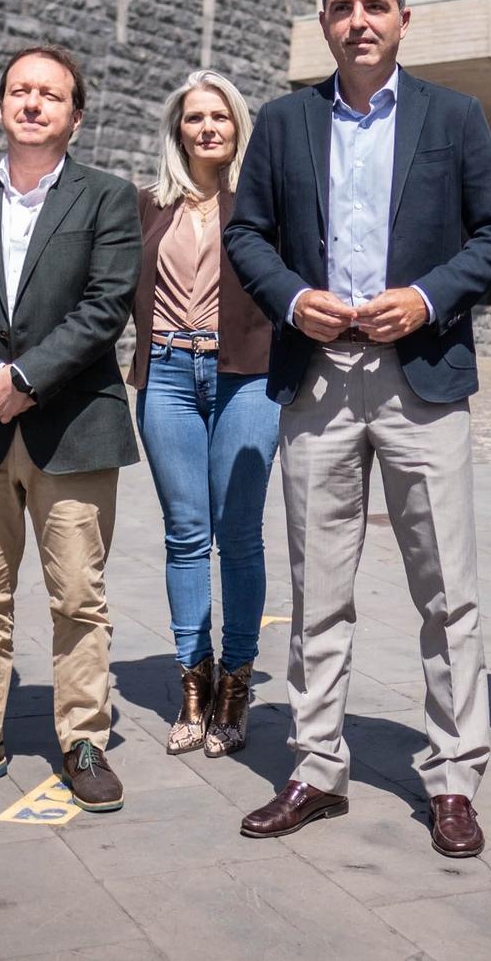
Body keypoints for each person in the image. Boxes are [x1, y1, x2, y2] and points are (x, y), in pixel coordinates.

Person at [225, 0, 491, 857]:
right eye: (343, 6)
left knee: (449, 594)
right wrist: (289, 297)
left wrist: (427, 297)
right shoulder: (281, 122)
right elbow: (247, 233)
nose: (360, 20)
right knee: (318, 590)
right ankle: (316, 767)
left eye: (377, 5)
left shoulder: (455, 116)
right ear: (323, 20)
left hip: (420, 378)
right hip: (317, 378)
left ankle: (453, 778)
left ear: (404, 19)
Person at [0, 45, 142, 813]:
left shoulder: (107, 197)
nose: (33, 103)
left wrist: (26, 380)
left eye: (50, 94)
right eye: (20, 90)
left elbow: (105, 306)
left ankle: (84, 738)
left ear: (76, 114)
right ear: (1, 105)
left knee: (78, 594)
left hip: (72, 426)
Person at [128, 70, 278, 759]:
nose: (208, 126)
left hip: (247, 374)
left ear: (238, 126)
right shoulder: (146, 205)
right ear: (178, 128)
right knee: (185, 533)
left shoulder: (261, 204)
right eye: (195, 117)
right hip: (166, 373)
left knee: (238, 532)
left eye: (221, 116)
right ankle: (194, 681)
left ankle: (236, 683)